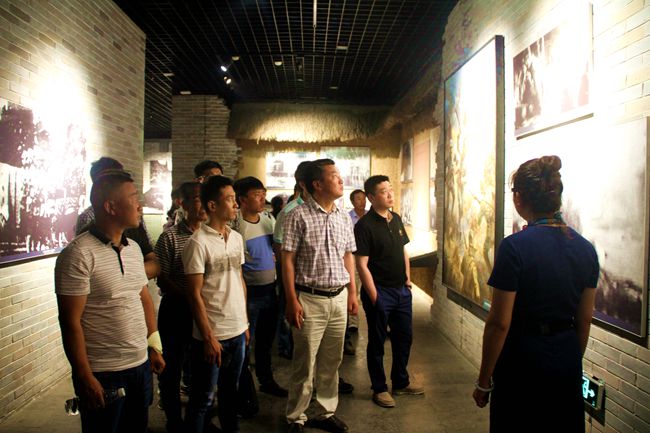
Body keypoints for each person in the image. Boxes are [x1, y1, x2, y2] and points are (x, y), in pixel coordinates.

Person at [472, 156, 599, 433]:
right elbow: (584, 320)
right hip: (565, 355)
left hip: (522, 359)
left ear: (519, 198)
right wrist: (569, 360)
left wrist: (484, 381)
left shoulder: (514, 248)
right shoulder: (586, 250)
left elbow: (499, 323)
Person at [55, 169, 165, 433]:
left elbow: (143, 299)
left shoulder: (134, 249)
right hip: (104, 372)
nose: (140, 205)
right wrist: (84, 375)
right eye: (133, 197)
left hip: (140, 365)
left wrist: (153, 345)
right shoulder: (78, 254)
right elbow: (70, 322)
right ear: (110, 207)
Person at [283, 159, 358, 433]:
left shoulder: (343, 216)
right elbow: (288, 260)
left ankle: (326, 412)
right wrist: (291, 300)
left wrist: (352, 292)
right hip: (309, 298)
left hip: (338, 297)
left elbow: (348, 255)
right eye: (334, 175)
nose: (340, 180)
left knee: (331, 361)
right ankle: (296, 417)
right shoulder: (297, 216)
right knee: (305, 363)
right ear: (317, 184)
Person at [182, 175, 249, 433]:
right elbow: (194, 294)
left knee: (231, 394)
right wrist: (208, 337)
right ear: (212, 205)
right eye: (230, 199)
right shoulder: (197, 243)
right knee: (203, 399)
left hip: (237, 330)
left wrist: (245, 323)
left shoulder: (236, 238)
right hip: (212, 335)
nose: (236, 205)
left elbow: (239, 280)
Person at [354, 175, 423, 408]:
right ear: (371, 197)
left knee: (404, 338)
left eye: (390, 189)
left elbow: (403, 251)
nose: (390, 194)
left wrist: (408, 280)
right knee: (377, 342)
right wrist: (375, 296)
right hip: (380, 291)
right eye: (384, 191)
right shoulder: (364, 225)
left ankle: (401, 383)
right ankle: (379, 388)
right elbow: (361, 264)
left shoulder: (396, 219)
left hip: (401, 291)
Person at [155, 181, 206, 433]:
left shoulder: (214, 234)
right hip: (177, 309)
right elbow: (162, 277)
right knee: (171, 368)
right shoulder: (170, 237)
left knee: (202, 369)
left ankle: (199, 420)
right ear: (182, 203)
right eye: (196, 198)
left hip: (205, 311)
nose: (203, 204)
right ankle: (174, 420)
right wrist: (189, 296)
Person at [232, 177, 288, 398]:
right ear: (242, 199)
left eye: (263, 194)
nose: (262, 199)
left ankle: (266, 380)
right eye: (257, 195)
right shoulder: (236, 225)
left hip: (270, 289)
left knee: (265, 342)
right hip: (249, 293)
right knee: (245, 344)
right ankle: (243, 390)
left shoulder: (268, 219)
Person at [75, 157, 160, 280]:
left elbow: (153, 262)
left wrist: (123, 274)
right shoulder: (86, 224)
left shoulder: (133, 242)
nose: (139, 207)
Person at [344, 189, 367, 355]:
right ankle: (353, 322)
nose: (362, 201)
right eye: (358, 199)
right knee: (354, 289)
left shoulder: (370, 216)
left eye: (364, 198)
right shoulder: (347, 217)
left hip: (369, 258)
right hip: (353, 257)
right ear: (352, 201)